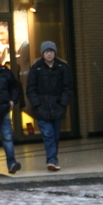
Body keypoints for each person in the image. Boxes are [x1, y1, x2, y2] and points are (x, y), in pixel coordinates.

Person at [26, 41, 73, 171]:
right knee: (48, 134)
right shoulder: (36, 68)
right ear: (42, 53)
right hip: (42, 108)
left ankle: (53, 158)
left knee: (55, 135)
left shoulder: (63, 67)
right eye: (46, 51)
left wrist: (63, 103)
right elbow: (31, 89)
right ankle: (51, 160)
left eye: (51, 51)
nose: (49, 54)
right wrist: (37, 104)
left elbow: (68, 88)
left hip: (58, 107)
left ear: (55, 52)